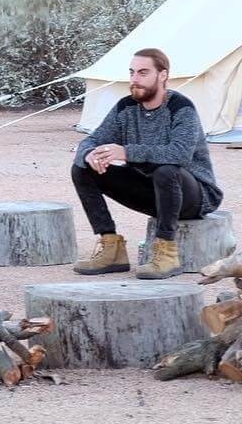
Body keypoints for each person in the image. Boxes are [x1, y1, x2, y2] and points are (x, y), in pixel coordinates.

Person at [70, 47, 222, 280]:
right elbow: (92, 140)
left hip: (194, 196)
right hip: (153, 193)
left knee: (166, 170)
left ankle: (167, 253)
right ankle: (111, 248)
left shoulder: (181, 107)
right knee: (82, 169)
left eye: (143, 73)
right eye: (132, 72)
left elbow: (180, 154)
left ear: (162, 75)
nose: (135, 79)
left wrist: (126, 152)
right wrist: (90, 153)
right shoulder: (126, 108)